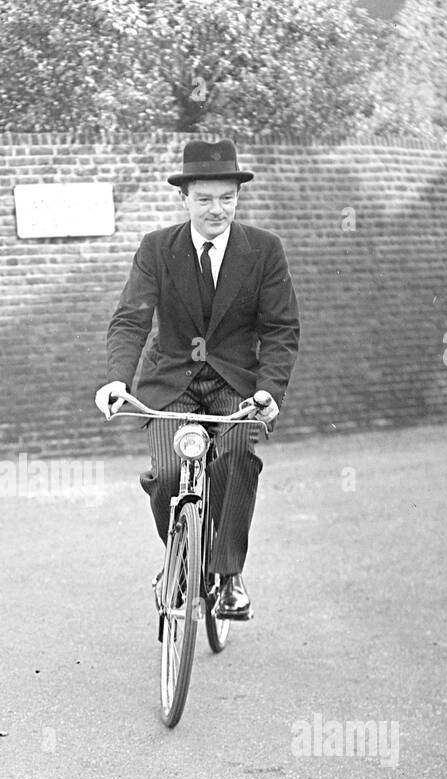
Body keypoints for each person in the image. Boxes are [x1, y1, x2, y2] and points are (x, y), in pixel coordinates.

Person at [96, 139, 301, 620]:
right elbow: (130, 319)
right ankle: (181, 559)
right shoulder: (157, 248)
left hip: (235, 384)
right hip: (172, 383)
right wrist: (116, 380)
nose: (217, 209)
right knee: (168, 474)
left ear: (238, 197)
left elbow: (280, 329)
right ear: (183, 198)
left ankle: (228, 576)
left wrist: (269, 388)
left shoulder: (264, 251)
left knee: (236, 460)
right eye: (205, 198)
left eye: (227, 198)